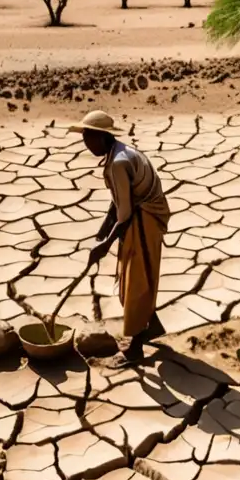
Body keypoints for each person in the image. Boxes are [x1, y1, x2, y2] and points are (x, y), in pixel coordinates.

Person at [71, 111, 170, 364]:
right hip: (141, 217)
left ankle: (134, 349)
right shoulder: (117, 153)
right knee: (141, 277)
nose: (86, 143)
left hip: (144, 220)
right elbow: (117, 204)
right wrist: (101, 234)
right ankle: (152, 325)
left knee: (136, 281)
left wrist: (106, 244)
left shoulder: (118, 162)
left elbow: (124, 214)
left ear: (102, 137)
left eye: (89, 137)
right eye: (84, 137)